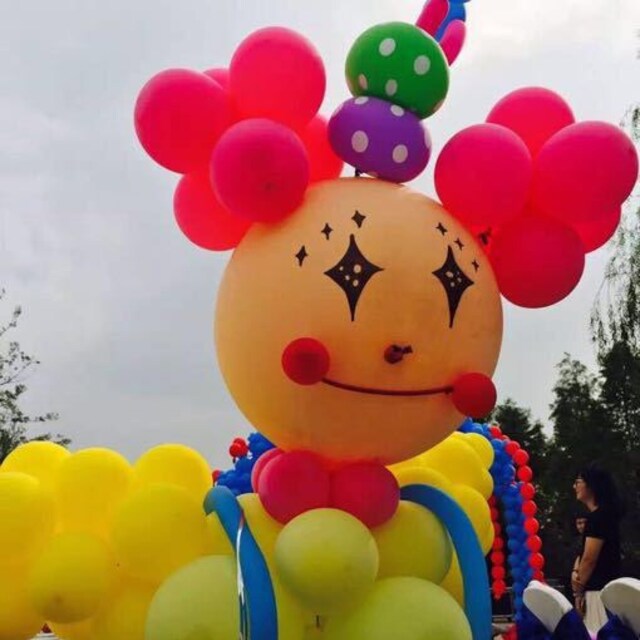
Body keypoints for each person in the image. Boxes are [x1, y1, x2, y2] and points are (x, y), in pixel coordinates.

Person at [571, 465, 624, 633]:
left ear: (591, 485)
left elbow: (589, 559)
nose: (575, 486)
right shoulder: (604, 516)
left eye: (578, 482)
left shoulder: (598, 518)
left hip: (598, 592)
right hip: (606, 590)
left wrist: (578, 591)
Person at [571, 513, 588, 615]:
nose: (582, 526)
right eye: (579, 523)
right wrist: (575, 571)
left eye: (584, 522)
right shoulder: (579, 540)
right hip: (579, 580)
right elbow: (579, 557)